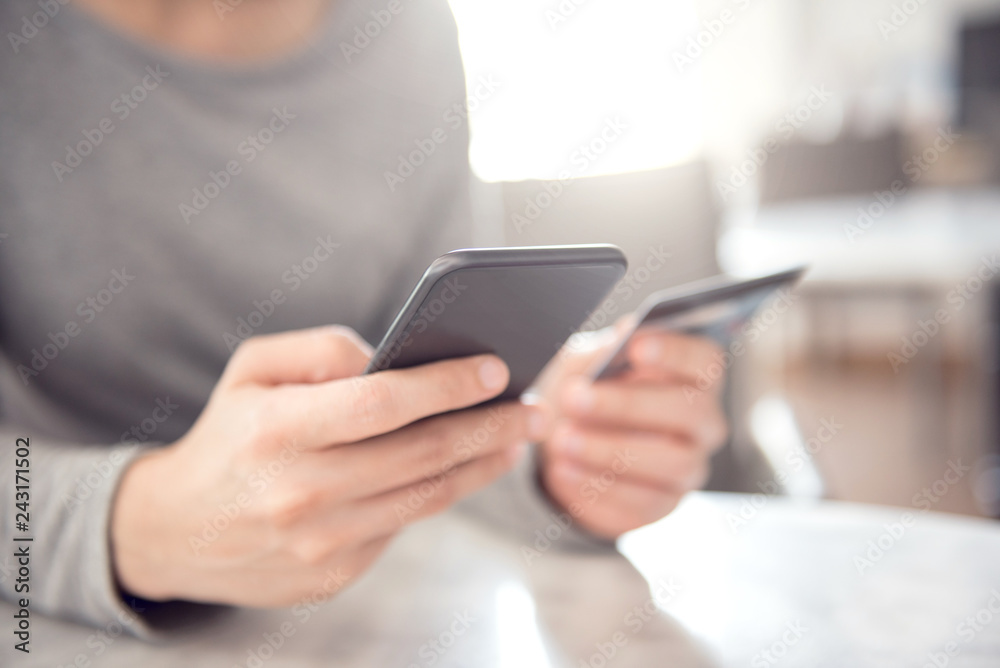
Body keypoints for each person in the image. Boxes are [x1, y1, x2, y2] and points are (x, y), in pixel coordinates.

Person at [0, 0, 726, 634]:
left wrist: (552, 456)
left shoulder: (409, 30)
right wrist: (133, 528)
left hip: (357, 622)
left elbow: (422, 394)